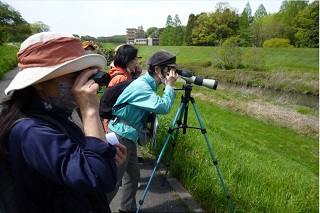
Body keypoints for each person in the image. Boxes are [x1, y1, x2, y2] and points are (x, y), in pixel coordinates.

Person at [0, 32, 127, 213]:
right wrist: (89, 110)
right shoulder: (33, 132)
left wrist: (104, 155)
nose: (82, 83)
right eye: (73, 75)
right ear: (38, 83)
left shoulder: (51, 115)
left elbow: (75, 164)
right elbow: (99, 178)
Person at [106, 49, 180, 213]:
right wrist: (169, 87)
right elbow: (162, 107)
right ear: (158, 69)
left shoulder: (147, 84)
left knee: (132, 177)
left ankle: (127, 209)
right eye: (169, 70)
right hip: (121, 136)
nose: (171, 74)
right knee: (113, 182)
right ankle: (97, 208)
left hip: (127, 136)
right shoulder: (142, 87)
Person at [102, 44, 141, 132]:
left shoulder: (125, 75)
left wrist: (136, 75)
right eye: (135, 59)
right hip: (115, 125)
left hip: (117, 124)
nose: (136, 62)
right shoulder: (121, 78)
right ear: (127, 60)